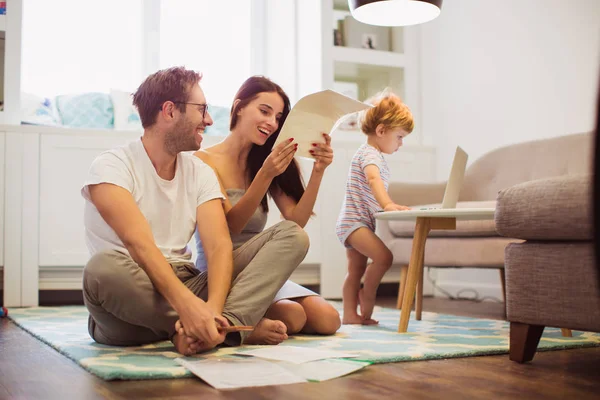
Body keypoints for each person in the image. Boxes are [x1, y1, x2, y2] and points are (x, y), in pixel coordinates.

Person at [81, 67, 309, 356]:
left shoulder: (199, 172)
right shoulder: (111, 166)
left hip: (188, 282)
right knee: (102, 269)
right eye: (201, 110)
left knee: (292, 234)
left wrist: (213, 309)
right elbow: (140, 246)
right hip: (129, 298)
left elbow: (219, 246)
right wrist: (190, 310)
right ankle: (223, 330)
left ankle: (221, 328)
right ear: (169, 111)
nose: (210, 120)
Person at [194, 76, 341, 338]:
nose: (271, 123)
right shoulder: (204, 161)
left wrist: (319, 171)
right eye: (264, 111)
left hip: (263, 269)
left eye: (278, 117)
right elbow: (229, 227)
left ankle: (248, 320)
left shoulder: (265, 158)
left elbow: (296, 220)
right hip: (221, 267)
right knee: (293, 316)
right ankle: (238, 325)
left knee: (329, 319)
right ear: (238, 107)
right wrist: (265, 175)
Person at [336, 90, 414, 325]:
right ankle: (368, 293)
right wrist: (387, 204)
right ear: (381, 131)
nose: (401, 143)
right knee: (384, 258)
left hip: (354, 222)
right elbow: (373, 180)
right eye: (399, 136)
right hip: (354, 223)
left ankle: (350, 314)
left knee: (356, 271)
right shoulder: (370, 154)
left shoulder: (372, 154)